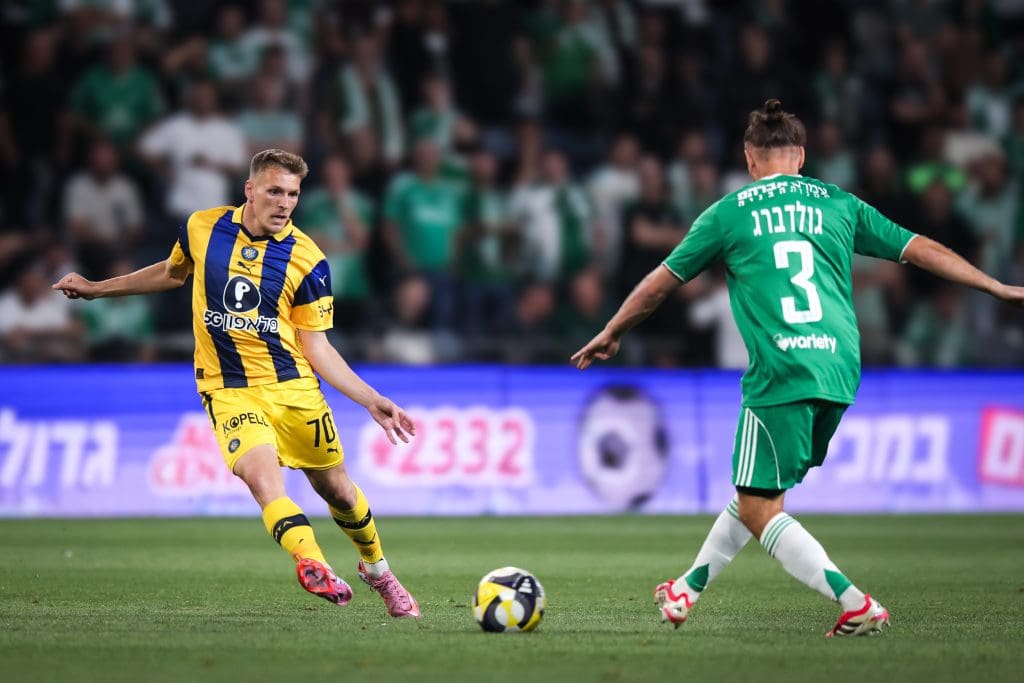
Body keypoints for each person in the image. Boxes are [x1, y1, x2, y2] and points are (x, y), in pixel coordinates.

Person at [571, 100, 1024, 637]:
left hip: (782, 369)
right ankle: (686, 589)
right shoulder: (838, 203)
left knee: (759, 505)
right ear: (801, 156)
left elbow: (660, 283)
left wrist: (613, 330)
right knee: (759, 494)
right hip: (839, 370)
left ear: (749, 158)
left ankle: (855, 603)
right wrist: (994, 286)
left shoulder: (728, 213)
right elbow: (917, 248)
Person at [52, 149, 421, 618]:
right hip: (227, 388)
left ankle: (377, 569)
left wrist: (371, 399)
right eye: (274, 191)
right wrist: (97, 287)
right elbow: (171, 272)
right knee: (262, 478)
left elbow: (317, 347)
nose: (284, 203)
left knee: (339, 491)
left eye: (292, 194)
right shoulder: (202, 227)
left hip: (293, 389)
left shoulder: (308, 260)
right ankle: (312, 562)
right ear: (249, 189)